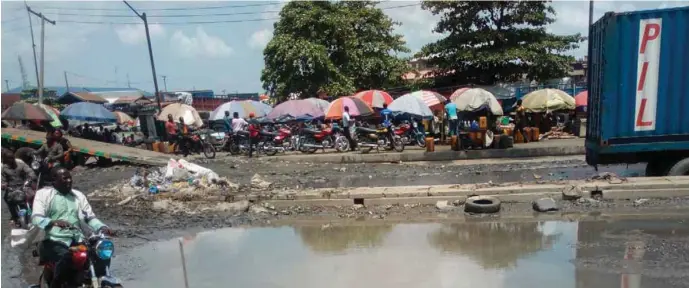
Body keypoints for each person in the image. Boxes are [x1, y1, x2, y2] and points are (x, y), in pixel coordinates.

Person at [32, 167, 113, 287]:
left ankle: (96, 277)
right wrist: (53, 222)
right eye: (65, 178)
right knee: (66, 257)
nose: (69, 181)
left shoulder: (78, 196)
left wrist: (102, 227)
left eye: (70, 178)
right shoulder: (43, 194)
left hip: (78, 239)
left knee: (101, 252)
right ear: (54, 180)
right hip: (53, 240)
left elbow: (89, 217)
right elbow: (36, 218)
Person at [2, 148, 37, 227]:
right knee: (7, 199)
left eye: (12, 157)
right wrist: (3, 185)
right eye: (9, 158)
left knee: (33, 196)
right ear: (5, 159)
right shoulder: (4, 168)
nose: (12, 159)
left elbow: (29, 170)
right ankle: (14, 217)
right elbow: (3, 179)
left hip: (24, 185)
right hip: (12, 188)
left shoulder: (20, 163)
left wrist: (32, 176)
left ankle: (36, 213)